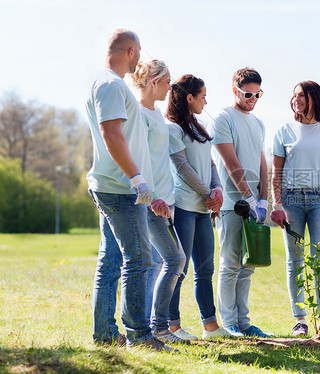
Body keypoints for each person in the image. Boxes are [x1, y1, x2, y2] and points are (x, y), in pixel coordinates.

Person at [85, 29, 172, 351]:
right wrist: (137, 179)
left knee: (111, 262)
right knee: (139, 259)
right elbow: (111, 133)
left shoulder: (109, 83)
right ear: (132, 52)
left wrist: (147, 186)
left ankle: (106, 334)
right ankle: (139, 334)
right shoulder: (110, 84)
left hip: (118, 185)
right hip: (120, 188)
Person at [270, 81, 320, 337]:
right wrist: (277, 204)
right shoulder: (284, 130)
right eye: (293, 96)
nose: (296, 100)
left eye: (301, 95)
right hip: (291, 201)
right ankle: (301, 320)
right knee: (295, 261)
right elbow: (277, 173)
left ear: (314, 98)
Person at [166, 74, 231, 339]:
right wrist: (207, 192)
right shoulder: (173, 129)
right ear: (189, 97)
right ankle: (172, 326)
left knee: (205, 269)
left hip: (204, 209)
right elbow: (181, 166)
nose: (206, 101)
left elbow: (211, 164)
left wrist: (217, 189)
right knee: (178, 269)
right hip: (184, 207)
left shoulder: (200, 126)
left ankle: (210, 326)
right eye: (203, 96)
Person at [208, 67, 272, 338]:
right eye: (248, 94)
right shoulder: (223, 118)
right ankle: (229, 323)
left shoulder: (258, 124)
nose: (253, 98)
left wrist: (264, 199)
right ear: (235, 90)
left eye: (258, 94)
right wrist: (247, 196)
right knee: (231, 263)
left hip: (254, 204)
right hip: (232, 204)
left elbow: (261, 164)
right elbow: (230, 162)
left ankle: (244, 323)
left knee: (248, 266)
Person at [131, 60, 189, 344]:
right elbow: (140, 161)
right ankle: (159, 329)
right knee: (175, 259)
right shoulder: (139, 115)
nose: (170, 88)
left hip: (168, 201)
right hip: (153, 203)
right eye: (167, 82)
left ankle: (158, 328)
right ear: (153, 82)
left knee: (164, 262)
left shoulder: (155, 115)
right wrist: (153, 198)